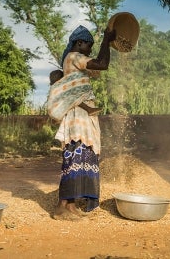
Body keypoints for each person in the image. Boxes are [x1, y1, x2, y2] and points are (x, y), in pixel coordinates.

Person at [52, 25, 116, 220]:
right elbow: (102, 63)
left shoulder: (75, 62)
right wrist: (107, 40)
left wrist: (108, 42)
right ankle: (62, 207)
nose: (89, 50)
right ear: (79, 43)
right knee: (75, 157)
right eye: (89, 46)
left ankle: (70, 206)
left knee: (82, 157)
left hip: (81, 116)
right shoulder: (73, 57)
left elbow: (99, 64)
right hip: (78, 117)